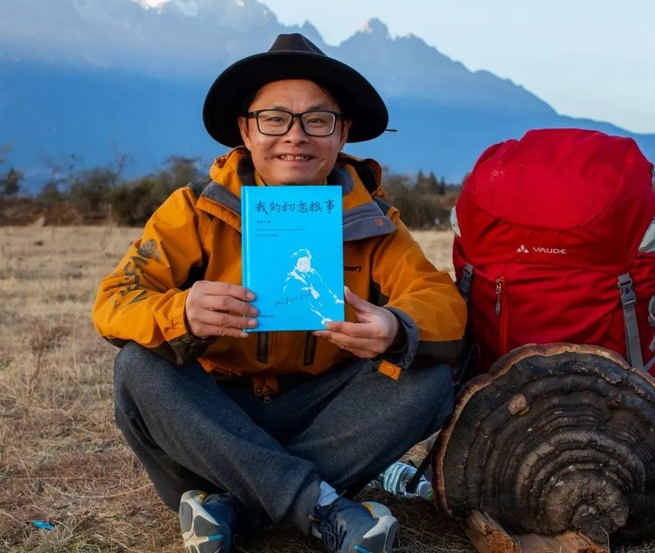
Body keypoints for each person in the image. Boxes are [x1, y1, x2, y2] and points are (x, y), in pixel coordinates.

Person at [92, 33, 467, 553]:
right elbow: (115, 299)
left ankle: (234, 507)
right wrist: (181, 311)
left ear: (342, 133)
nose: (296, 136)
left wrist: (395, 327)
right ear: (246, 130)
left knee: (427, 377)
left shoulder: (372, 220)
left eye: (318, 120)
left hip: (324, 415)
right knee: (137, 366)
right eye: (274, 119)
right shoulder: (195, 211)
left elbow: (440, 301)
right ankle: (321, 505)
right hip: (215, 419)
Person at [283, 248, 344, 326]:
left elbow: (323, 288)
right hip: (301, 314)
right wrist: (309, 291)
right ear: (295, 265)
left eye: (306, 262)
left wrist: (334, 300)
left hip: (319, 307)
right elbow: (297, 301)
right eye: (301, 263)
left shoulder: (312, 272)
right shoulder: (292, 278)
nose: (305, 266)